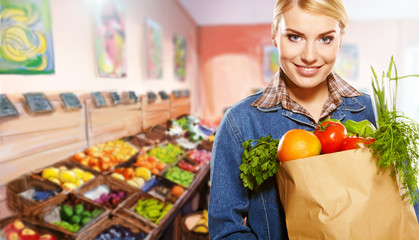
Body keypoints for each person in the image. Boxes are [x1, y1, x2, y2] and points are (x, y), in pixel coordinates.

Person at [208, 0, 419, 239]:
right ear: (275, 35)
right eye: (295, 37)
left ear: (340, 39)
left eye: (325, 39)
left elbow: (407, 205)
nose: (309, 56)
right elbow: (226, 230)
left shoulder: (374, 112)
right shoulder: (240, 123)